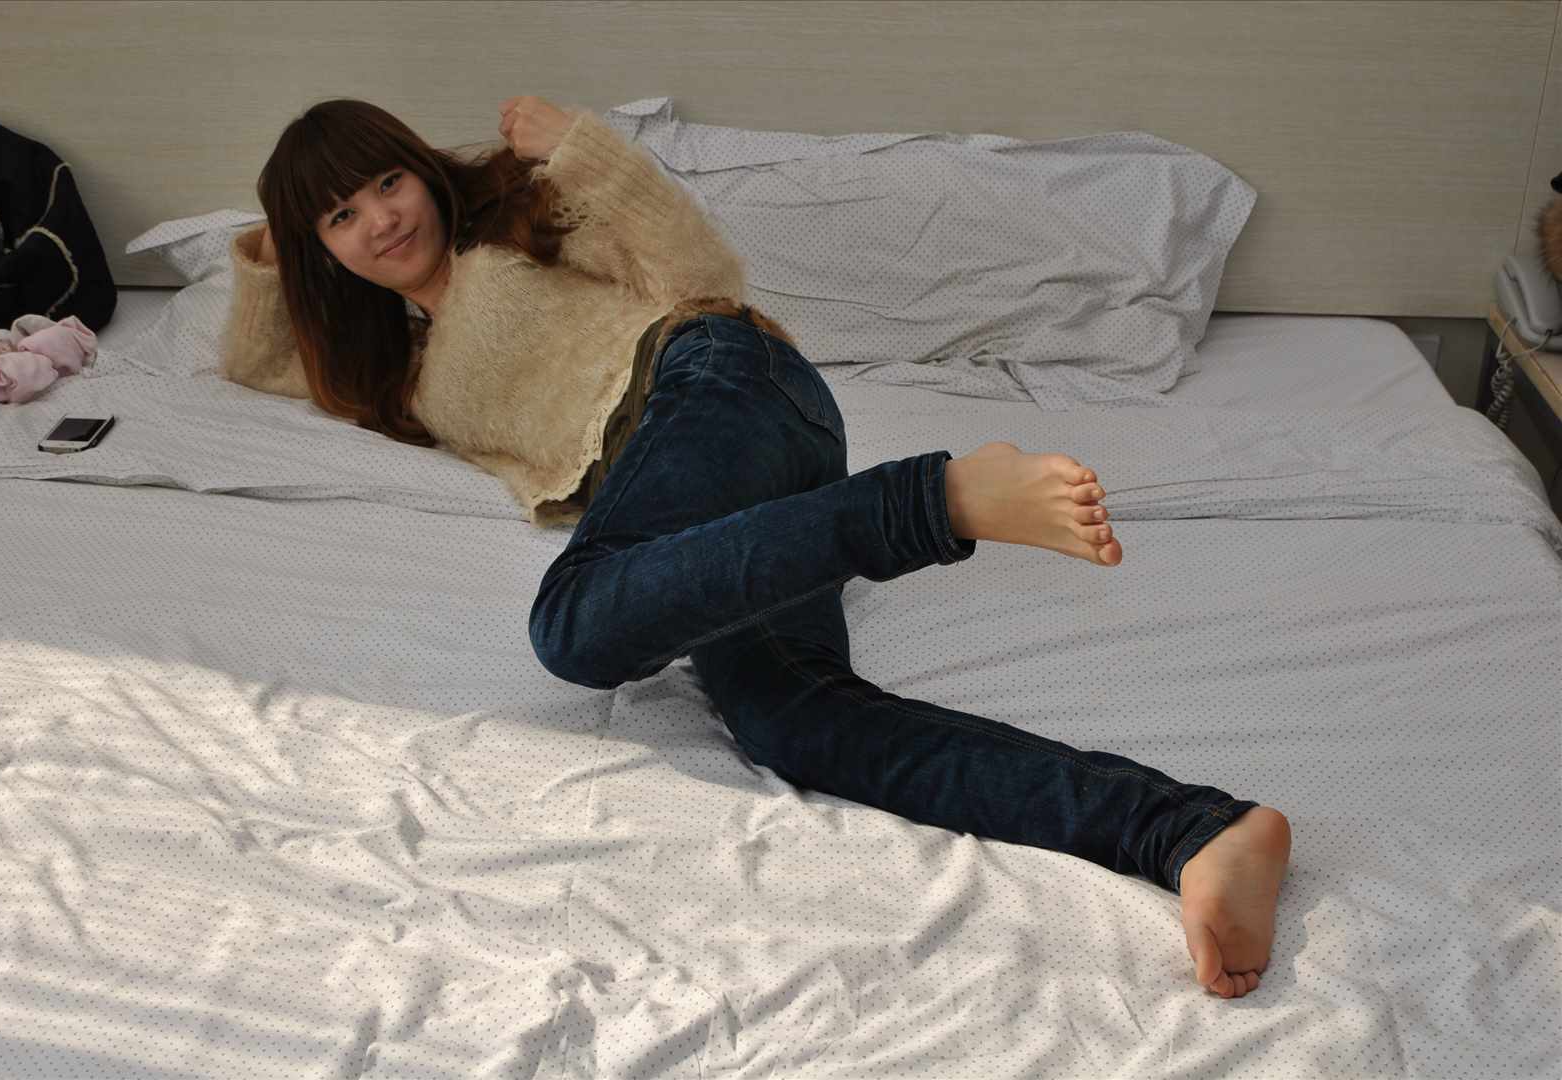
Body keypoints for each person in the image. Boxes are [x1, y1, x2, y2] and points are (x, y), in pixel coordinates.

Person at [226, 95, 1291, 1000]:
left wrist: (583, 148)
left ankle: (936, 502)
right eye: (341, 216)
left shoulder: (507, 228)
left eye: (387, 185)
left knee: (574, 624)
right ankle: (1189, 833)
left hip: (713, 382)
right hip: (707, 497)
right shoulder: (399, 371)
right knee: (796, 722)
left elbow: (703, 272)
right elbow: (257, 359)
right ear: (321, 251)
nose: (380, 221)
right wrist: (273, 247)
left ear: (424, 171)